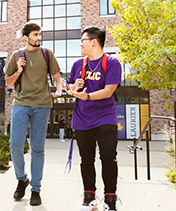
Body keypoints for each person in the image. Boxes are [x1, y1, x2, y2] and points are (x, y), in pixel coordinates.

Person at [5, 22, 63, 206]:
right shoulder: (17, 56)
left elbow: (57, 77)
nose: (39, 37)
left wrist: (60, 89)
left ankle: (36, 189)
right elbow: (8, 82)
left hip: (42, 105)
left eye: (40, 34)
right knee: (15, 144)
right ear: (26, 37)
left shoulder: (47, 54)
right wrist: (19, 71)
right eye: (35, 35)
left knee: (37, 148)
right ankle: (22, 179)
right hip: (21, 104)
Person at [66, 26, 122, 211]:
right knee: (86, 160)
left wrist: (87, 96)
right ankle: (89, 197)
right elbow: (70, 90)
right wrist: (75, 86)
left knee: (108, 158)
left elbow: (108, 91)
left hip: (105, 118)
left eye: (83, 40)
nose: (81, 44)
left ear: (94, 42)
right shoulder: (77, 65)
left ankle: (110, 200)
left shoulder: (112, 63)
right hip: (82, 120)